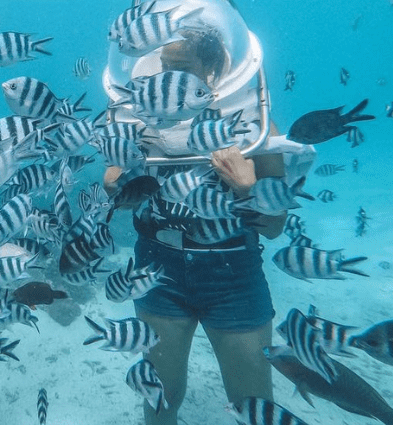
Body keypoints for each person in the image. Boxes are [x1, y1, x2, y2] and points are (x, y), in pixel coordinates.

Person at [105, 34, 286, 425]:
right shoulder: (140, 124)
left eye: (182, 69)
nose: (168, 77)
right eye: (165, 68)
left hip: (233, 276)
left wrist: (247, 188)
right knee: (161, 398)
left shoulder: (255, 127)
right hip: (157, 269)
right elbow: (117, 188)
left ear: (213, 72)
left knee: (253, 404)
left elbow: (275, 227)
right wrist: (119, 187)